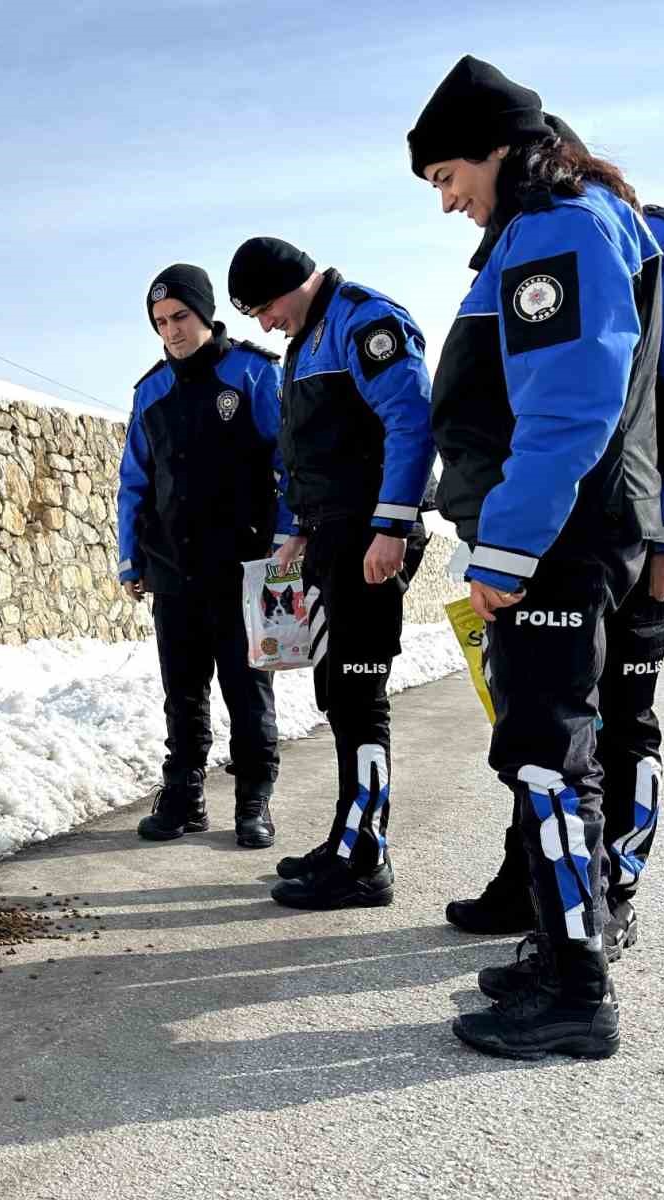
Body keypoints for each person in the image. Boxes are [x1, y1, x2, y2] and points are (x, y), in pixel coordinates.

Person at [446, 118, 664, 969]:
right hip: (569, 521)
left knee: (615, 725)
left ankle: (606, 899)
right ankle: (540, 892)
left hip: (628, 526)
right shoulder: (533, 240)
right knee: (549, 722)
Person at [409, 55, 664, 1059]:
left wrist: (507, 550)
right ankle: (561, 946)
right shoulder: (563, 222)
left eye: (445, 176)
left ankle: (574, 988)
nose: (445, 202)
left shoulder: (557, 227)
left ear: (498, 147)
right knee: (552, 752)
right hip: (562, 536)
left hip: (554, 542)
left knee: (546, 759)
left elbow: (567, 406)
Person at [226, 238, 435, 910]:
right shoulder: (307, 341)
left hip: (370, 539)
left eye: (264, 308)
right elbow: (305, 451)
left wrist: (392, 527)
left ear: (295, 283)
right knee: (338, 697)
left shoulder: (363, 322)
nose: (263, 324)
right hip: (331, 539)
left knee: (360, 697)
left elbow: (411, 422)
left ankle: (366, 859)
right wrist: (294, 530)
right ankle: (346, 838)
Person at [118, 263, 292, 850]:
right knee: (183, 691)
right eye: (160, 322)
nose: (171, 331)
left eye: (181, 318)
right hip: (172, 569)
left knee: (248, 690)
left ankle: (253, 800)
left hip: (243, 567)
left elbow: (285, 464)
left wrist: (284, 541)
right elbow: (134, 483)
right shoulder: (150, 391)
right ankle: (184, 795)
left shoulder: (251, 373)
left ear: (205, 313)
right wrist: (130, 558)